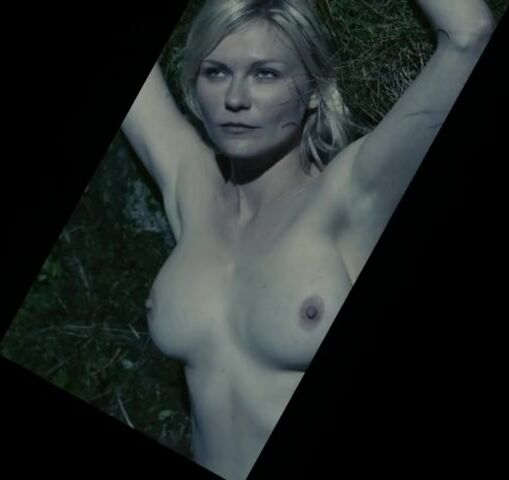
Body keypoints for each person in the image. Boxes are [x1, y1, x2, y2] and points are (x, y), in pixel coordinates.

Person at [121, 1, 494, 478]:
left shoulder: (351, 194)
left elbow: (469, 35)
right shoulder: (193, 191)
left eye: (265, 74)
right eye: (216, 72)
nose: (235, 98)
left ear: (314, 92)